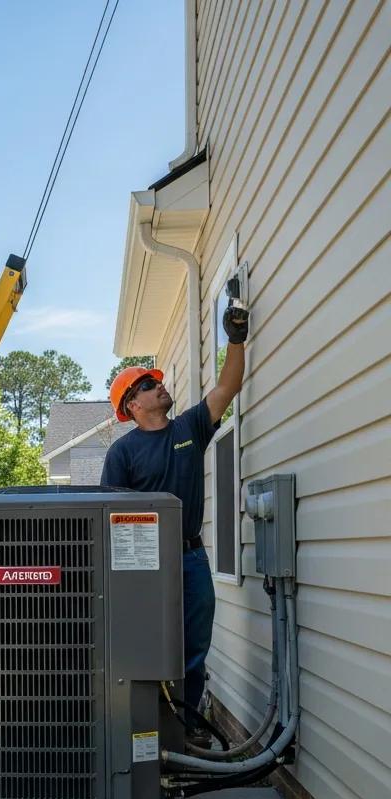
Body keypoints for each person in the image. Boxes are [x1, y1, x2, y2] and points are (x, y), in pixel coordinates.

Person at [100, 283, 249, 746]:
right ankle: (151, 731)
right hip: (142, 564)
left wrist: (236, 339)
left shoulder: (189, 428)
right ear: (132, 405)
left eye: (157, 380)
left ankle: (183, 734)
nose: (159, 385)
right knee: (147, 645)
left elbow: (227, 386)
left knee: (193, 649)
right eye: (148, 384)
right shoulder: (122, 453)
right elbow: (110, 520)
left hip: (190, 558)